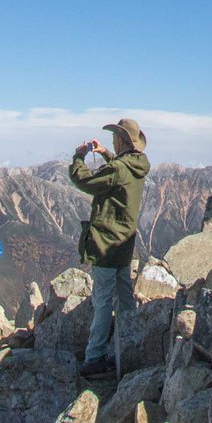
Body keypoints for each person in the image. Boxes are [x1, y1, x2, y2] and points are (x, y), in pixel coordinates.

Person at [68, 118, 149, 378]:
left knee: (102, 300)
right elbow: (119, 168)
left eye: (115, 136)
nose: (113, 139)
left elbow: (86, 182)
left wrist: (78, 158)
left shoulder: (118, 169)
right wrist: (105, 153)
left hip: (105, 242)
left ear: (121, 140)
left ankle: (95, 358)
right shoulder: (136, 166)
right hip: (124, 243)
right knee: (124, 297)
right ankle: (130, 347)